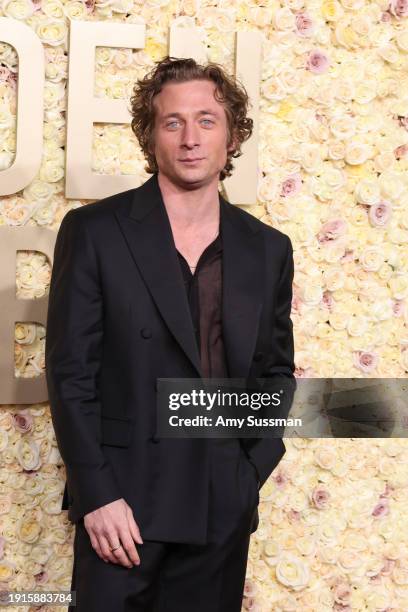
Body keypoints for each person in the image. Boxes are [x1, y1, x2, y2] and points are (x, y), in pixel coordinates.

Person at [45, 56, 295, 612]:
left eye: (207, 120)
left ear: (232, 137)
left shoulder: (267, 248)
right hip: (123, 509)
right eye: (172, 121)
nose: (190, 138)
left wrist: (249, 472)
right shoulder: (94, 232)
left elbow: (275, 370)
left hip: (219, 506)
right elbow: (70, 374)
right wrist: (97, 495)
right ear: (150, 135)